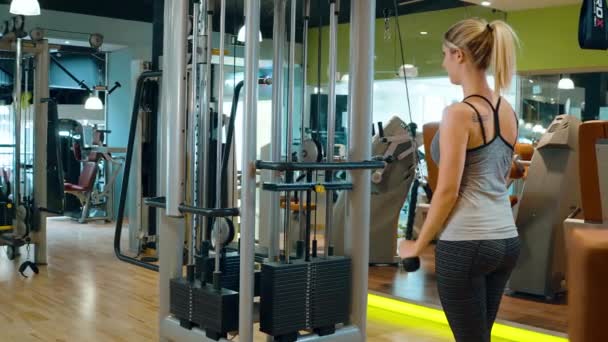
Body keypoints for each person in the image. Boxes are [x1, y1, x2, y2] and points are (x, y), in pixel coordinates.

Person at [398, 18, 521, 342]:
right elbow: (502, 178)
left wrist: (416, 245)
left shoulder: (459, 114)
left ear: (460, 55)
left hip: (467, 243)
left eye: (444, 54)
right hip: (506, 240)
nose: (442, 62)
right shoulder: (507, 111)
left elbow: (448, 190)